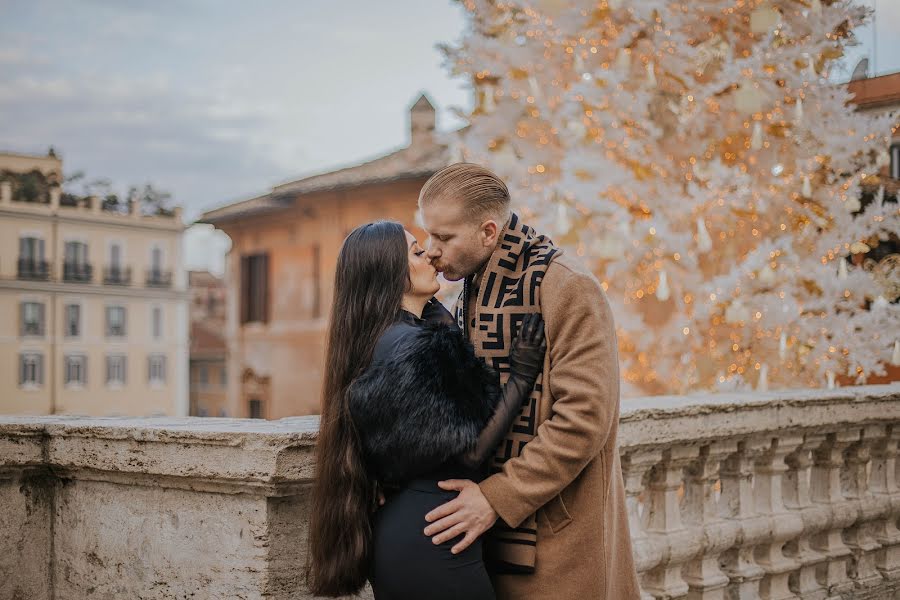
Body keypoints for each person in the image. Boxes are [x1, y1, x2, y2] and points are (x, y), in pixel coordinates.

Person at [417, 163, 641, 599]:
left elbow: (584, 420)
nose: (431, 251)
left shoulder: (566, 287)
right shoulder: (474, 287)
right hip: (486, 544)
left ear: (487, 232)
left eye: (443, 238)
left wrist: (497, 497)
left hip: (559, 546)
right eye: (428, 235)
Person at [305, 220, 547, 599]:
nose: (432, 256)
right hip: (436, 537)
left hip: (412, 534)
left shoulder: (382, 339)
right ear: (392, 274)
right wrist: (522, 376)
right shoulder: (412, 346)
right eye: (417, 252)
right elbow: (467, 453)